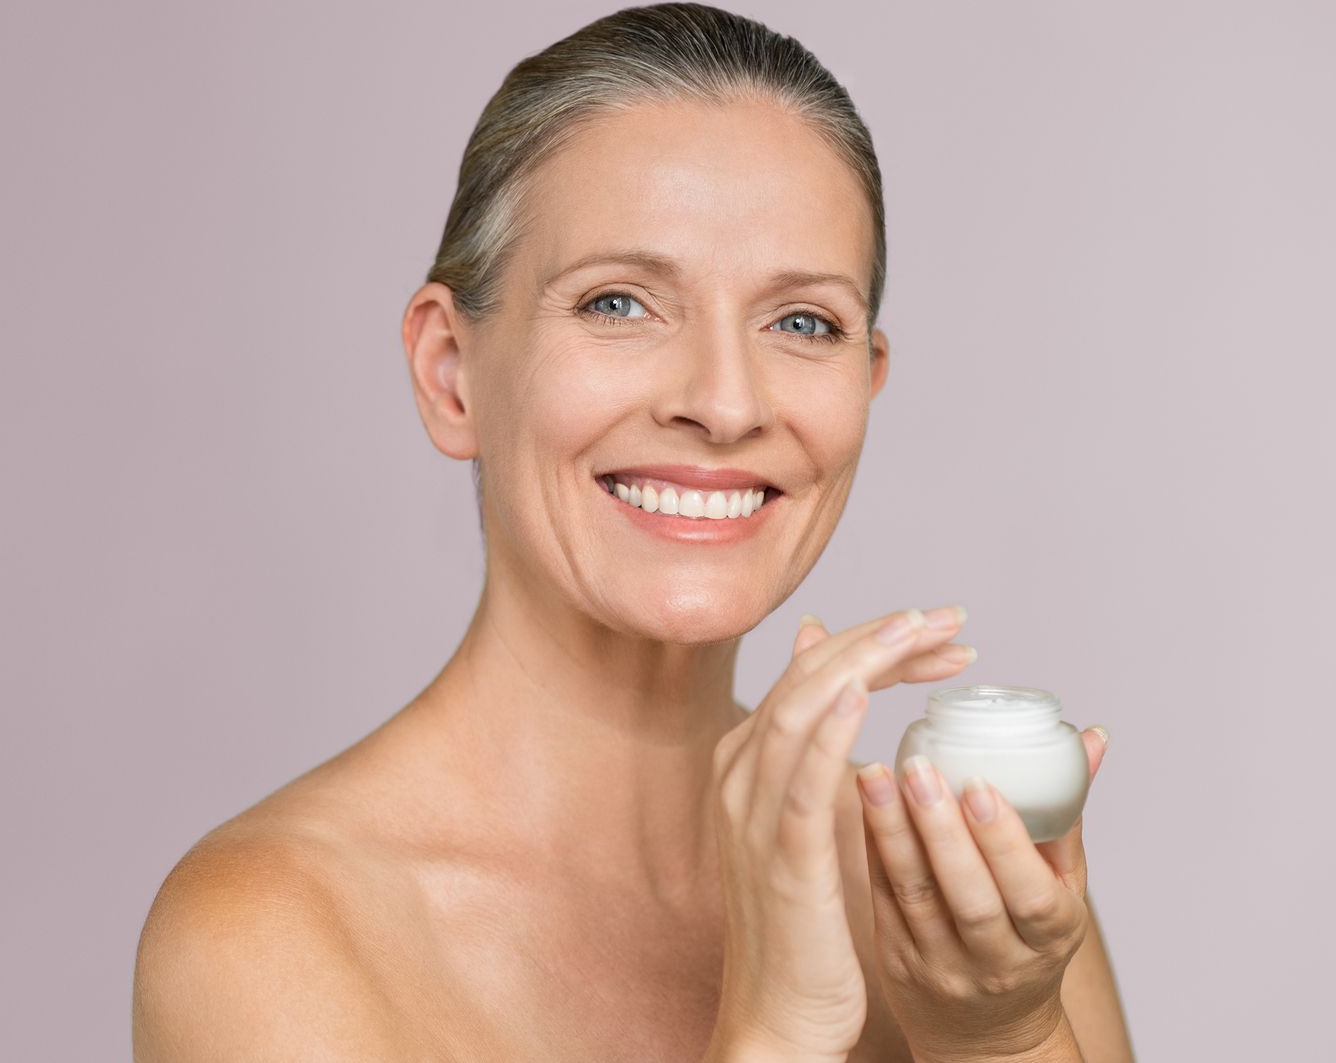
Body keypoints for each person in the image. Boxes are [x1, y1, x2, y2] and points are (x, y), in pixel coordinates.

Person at [132, 4, 1134, 1061]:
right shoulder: (268, 936)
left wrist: (998, 1035)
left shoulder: (957, 892)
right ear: (450, 371)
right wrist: (776, 1027)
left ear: (867, 382)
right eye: (618, 302)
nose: (724, 401)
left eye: (802, 322)